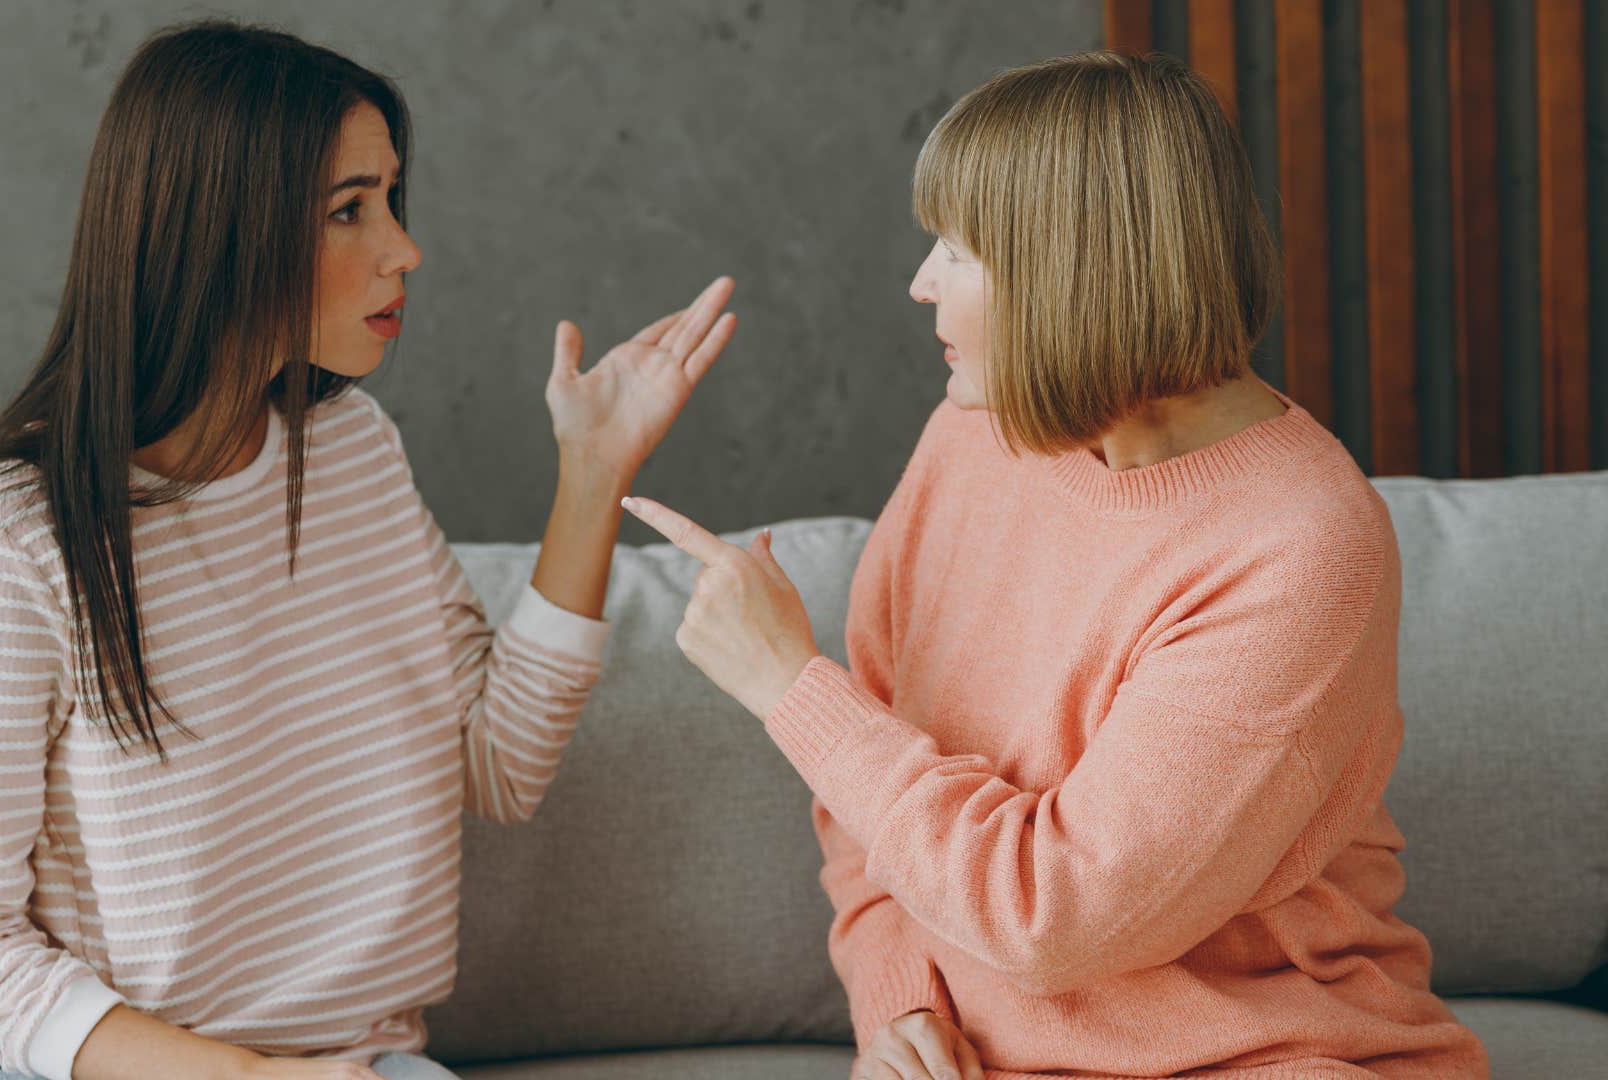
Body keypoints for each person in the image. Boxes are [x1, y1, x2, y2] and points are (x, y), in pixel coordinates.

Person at [0, 19, 735, 1080]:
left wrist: (594, 475)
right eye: (349, 211)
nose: (404, 248)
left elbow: (498, 762)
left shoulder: (352, 454)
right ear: (217, 230)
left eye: (390, 198)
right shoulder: (13, 543)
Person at [624, 50, 1489, 1080]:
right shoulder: (975, 439)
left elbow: (1056, 916)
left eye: (957, 248)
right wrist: (893, 990)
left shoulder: (1301, 548)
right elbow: (868, 782)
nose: (920, 283)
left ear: (1069, 269)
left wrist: (786, 685)